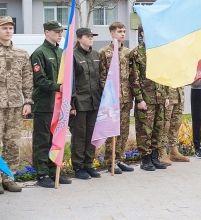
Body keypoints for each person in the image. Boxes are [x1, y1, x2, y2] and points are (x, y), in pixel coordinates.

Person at [0, 16, 33, 194]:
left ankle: (9, 177)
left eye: (10, 28)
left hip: (14, 106)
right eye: (4, 28)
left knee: (12, 143)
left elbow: (27, 79)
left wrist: (27, 101)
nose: (8, 31)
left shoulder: (22, 54)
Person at [31, 21, 73, 188]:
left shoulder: (62, 52)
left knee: (56, 138)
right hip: (44, 104)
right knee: (42, 139)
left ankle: (54, 170)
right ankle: (42, 174)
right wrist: (58, 87)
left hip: (59, 105)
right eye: (56, 31)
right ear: (47, 32)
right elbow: (40, 80)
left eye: (61, 31)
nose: (59, 34)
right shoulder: (39, 53)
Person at [130, 24, 169, 172]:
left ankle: (154, 157)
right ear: (142, 33)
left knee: (158, 130)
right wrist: (139, 99)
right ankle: (145, 159)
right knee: (144, 130)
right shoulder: (136, 53)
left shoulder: (158, 52)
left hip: (159, 98)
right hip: (146, 99)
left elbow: (163, 75)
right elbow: (134, 78)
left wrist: (165, 95)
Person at [99, 21, 134, 174]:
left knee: (123, 130)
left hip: (126, 96)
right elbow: (101, 75)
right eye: (119, 31)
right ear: (112, 33)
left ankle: (120, 159)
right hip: (111, 98)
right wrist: (107, 94)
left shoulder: (127, 52)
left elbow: (132, 75)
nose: (122, 34)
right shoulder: (104, 52)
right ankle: (110, 161)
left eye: (124, 31)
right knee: (111, 130)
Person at [69, 27, 103, 180]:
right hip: (79, 103)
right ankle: (78, 166)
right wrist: (71, 104)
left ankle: (88, 164)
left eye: (92, 36)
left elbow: (101, 78)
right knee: (79, 135)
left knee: (91, 134)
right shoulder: (72, 56)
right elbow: (70, 81)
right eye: (87, 36)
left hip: (94, 101)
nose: (90, 38)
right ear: (79, 38)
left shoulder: (96, 55)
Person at [160, 86, 188, 164]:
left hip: (179, 94)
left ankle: (174, 151)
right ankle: (162, 152)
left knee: (176, 123)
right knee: (165, 125)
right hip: (167, 95)